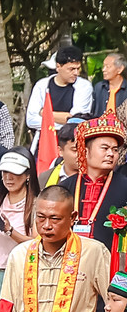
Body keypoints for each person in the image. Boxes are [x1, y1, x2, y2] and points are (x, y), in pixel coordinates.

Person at [58, 114, 127, 275]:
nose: (111, 154)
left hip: (111, 269)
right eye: (104, 148)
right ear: (86, 150)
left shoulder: (124, 187)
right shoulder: (65, 187)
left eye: (115, 150)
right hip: (68, 267)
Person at [0, 148, 39, 296]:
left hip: (21, 273)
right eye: (5, 172)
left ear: (27, 175)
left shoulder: (37, 204)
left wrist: (9, 230)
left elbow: (37, 244)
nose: (9, 178)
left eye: (15, 173)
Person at [29, 47, 94, 167]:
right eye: (71, 69)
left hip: (70, 145)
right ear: (58, 67)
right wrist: (63, 118)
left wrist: (45, 113)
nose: (76, 73)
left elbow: (76, 121)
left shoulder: (84, 87)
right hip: (43, 144)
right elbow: (31, 120)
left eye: (78, 69)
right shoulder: (42, 86)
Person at [44, 122, 82, 189]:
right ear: (60, 151)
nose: (81, 154)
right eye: (75, 150)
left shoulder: (96, 176)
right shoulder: (45, 178)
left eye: (84, 149)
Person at [93, 52, 127, 121]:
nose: (103, 70)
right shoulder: (99, 87)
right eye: (103, 66)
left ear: (120, 69)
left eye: (108, 67)